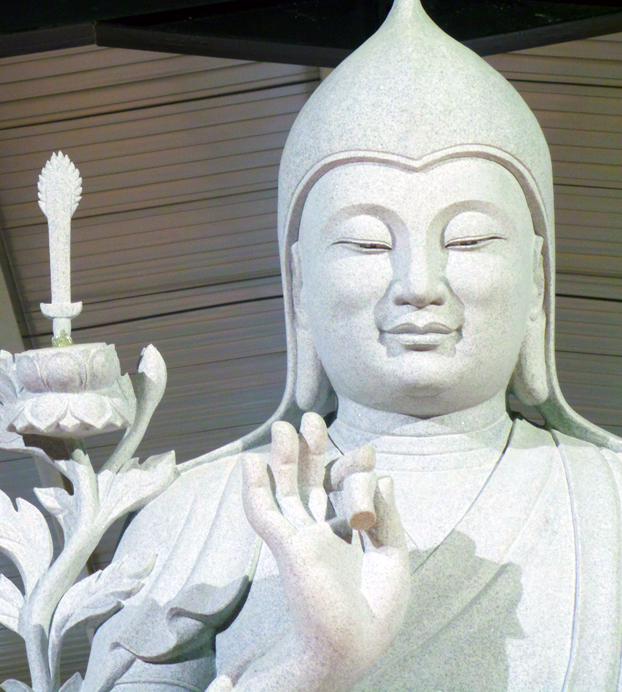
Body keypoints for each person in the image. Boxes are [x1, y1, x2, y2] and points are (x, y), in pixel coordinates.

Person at [80, 0, 622, 690]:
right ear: (300, 286)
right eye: (366, 242)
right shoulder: (209, 513)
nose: (418, 284)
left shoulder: (610, 503)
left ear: (538, 282)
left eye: (469, 239)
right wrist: (313, 667)